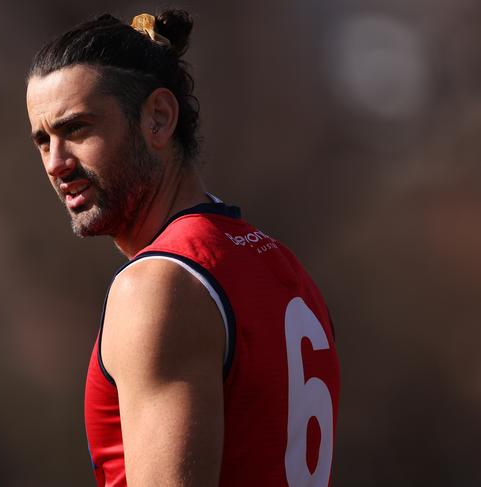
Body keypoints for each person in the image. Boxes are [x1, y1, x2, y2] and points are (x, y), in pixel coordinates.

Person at [25, 9, 340, 487]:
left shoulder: (158, 287)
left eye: (76, 129)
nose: (56, 162)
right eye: (42, 141)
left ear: (158, 118)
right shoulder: (280, 265)